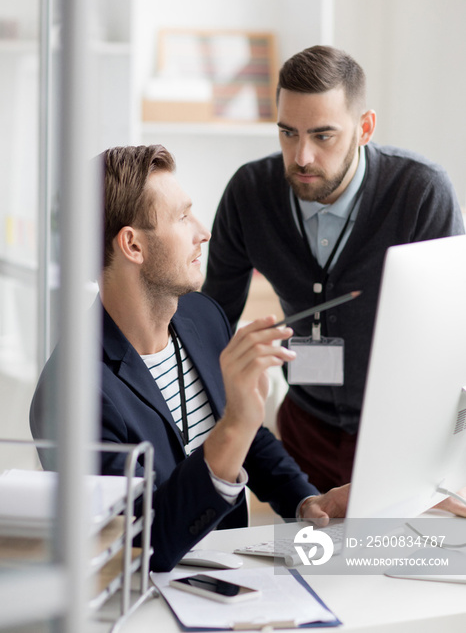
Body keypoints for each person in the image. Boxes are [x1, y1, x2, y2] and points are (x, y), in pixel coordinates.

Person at [30, 144, 349, 573]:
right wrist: (236, 423)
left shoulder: (203, 316)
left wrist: (305, 501)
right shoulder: (69, 394)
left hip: (235, 580)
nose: (204, 231)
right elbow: (140, 544)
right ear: (133, 245)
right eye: (182, 217)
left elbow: (246, 439)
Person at [203, 45, 465, 493]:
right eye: (288, 133)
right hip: (304, 429)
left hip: (403, 440)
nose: (301, 156)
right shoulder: (249, 193)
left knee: (389, 560)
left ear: (364, 128)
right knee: (312, 560)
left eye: (323, 136)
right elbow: (208, 321)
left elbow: (453, 336)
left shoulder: (420, 192)